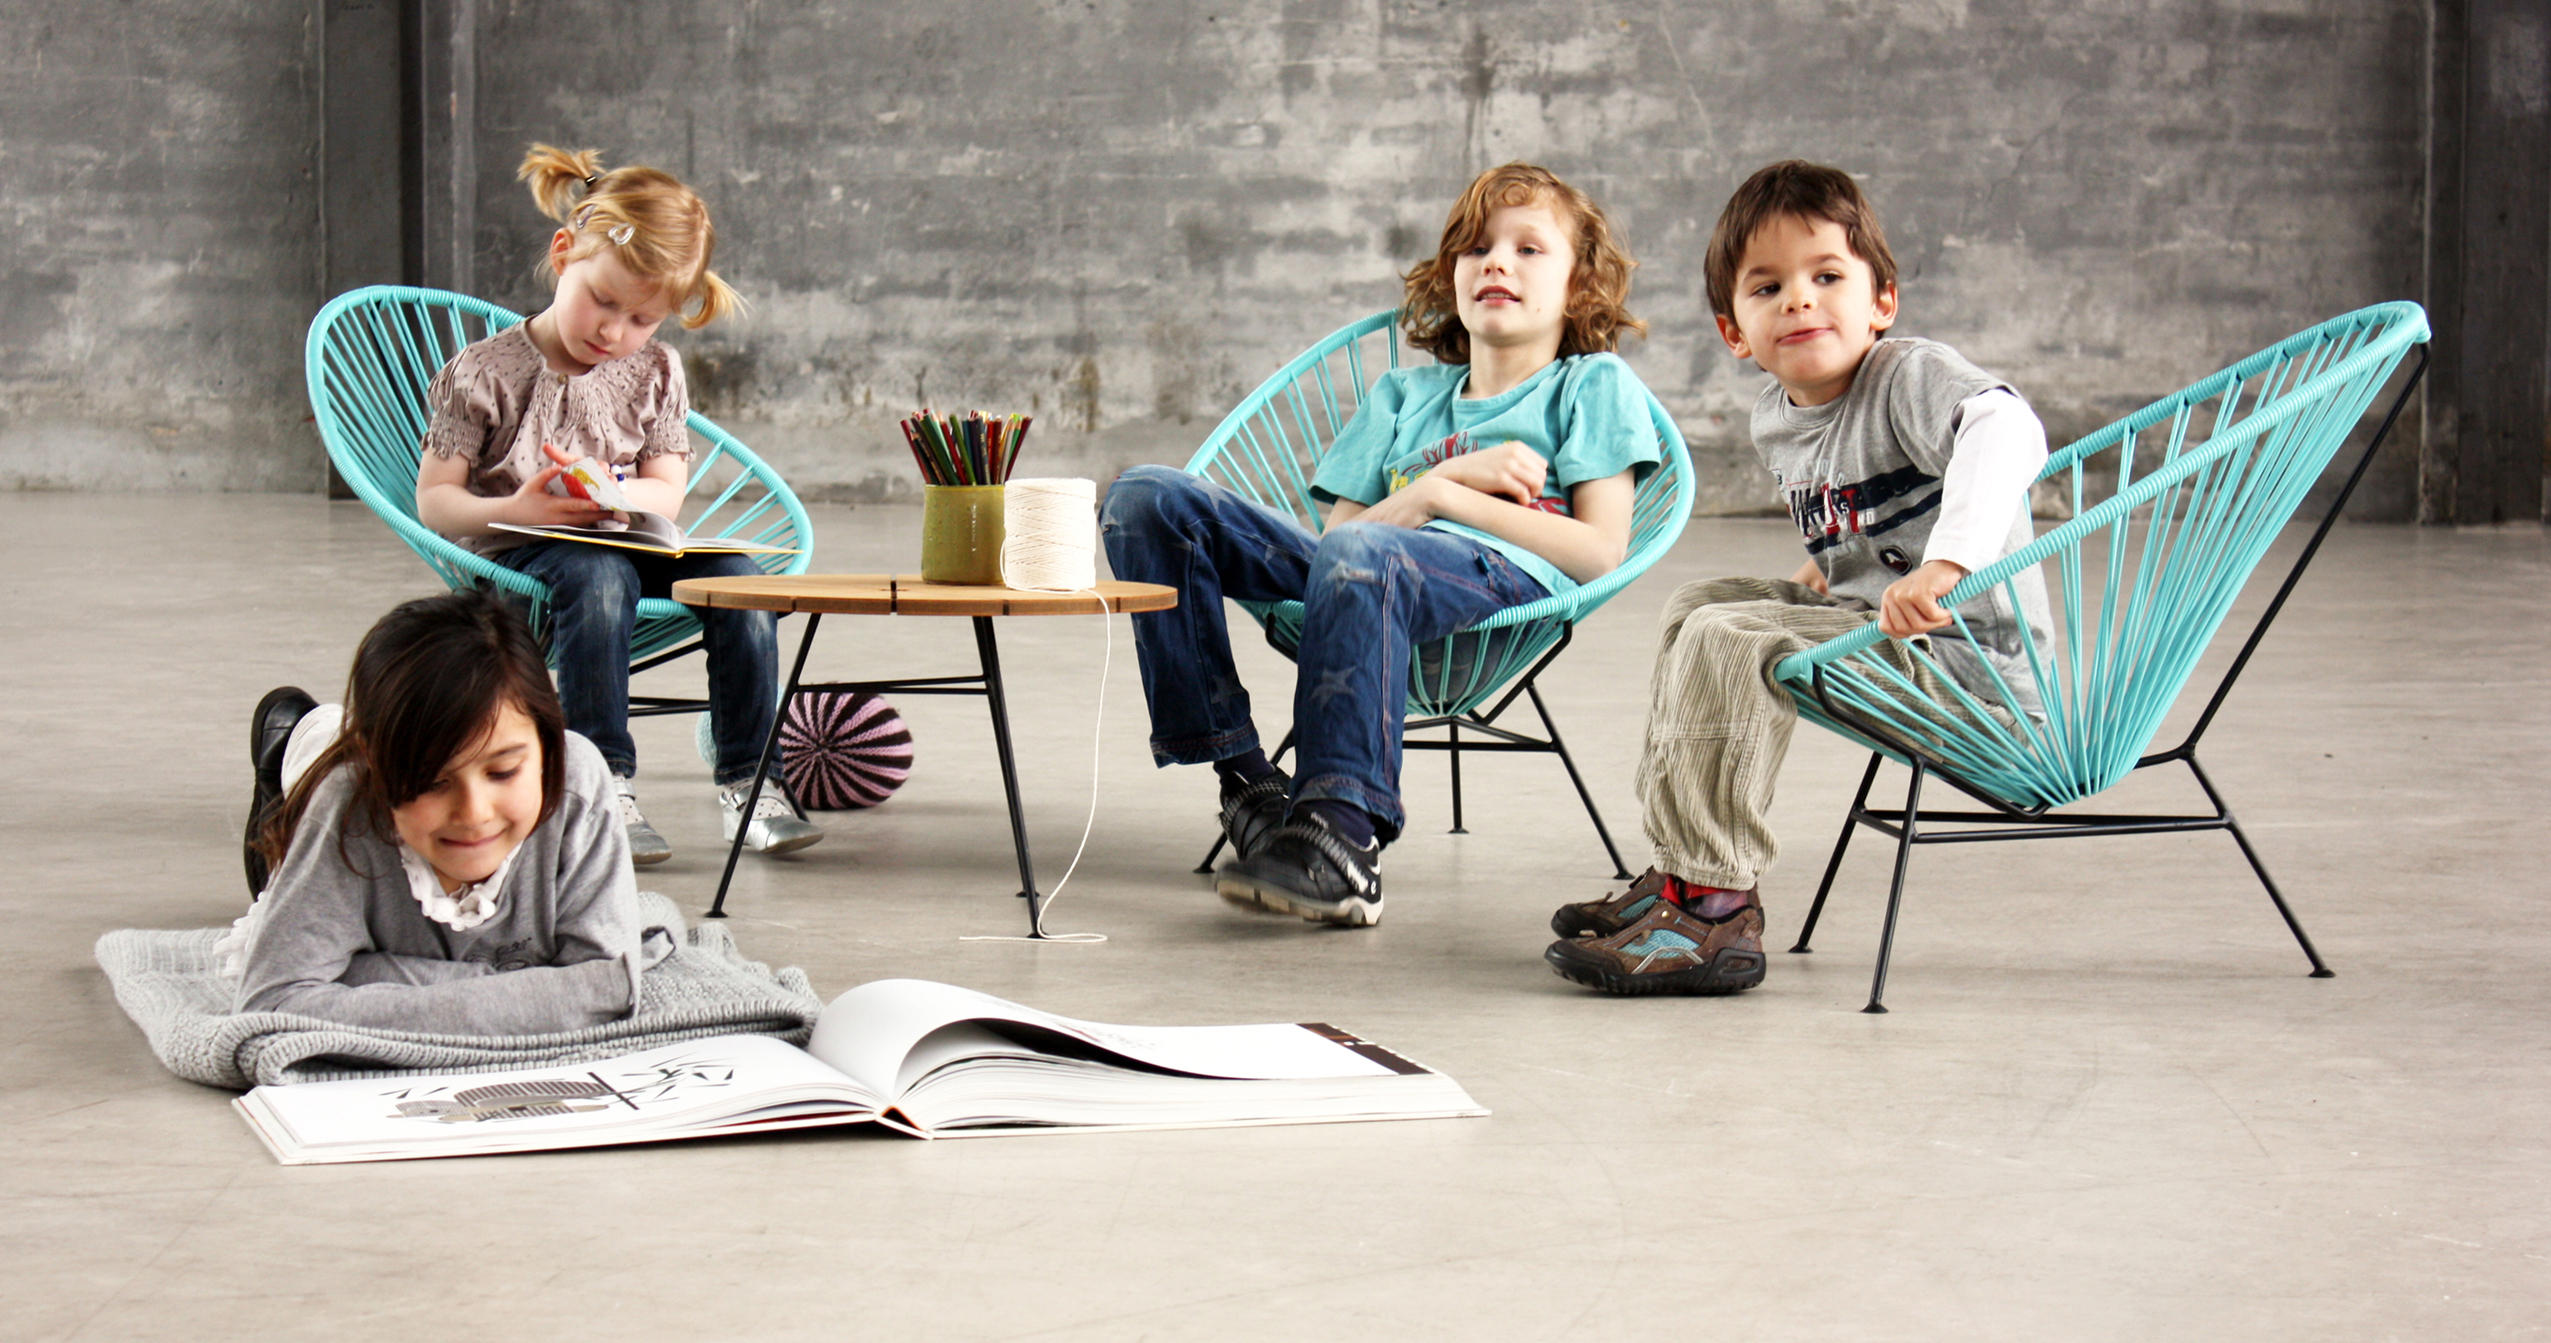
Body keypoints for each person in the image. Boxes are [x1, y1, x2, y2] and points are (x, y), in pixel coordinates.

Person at [1102, 162, 1661, 929]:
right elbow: (1339, 543)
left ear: (1578, 286)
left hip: (1492, 581)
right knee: (1146, 499)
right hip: (1361, 574)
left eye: (1528, 248)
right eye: (1475, 248)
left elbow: (1598, 549)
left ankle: (1342, 838)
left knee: (1365, 555)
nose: (1495, 262)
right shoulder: (1401, 397)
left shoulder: (1589, 385)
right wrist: (1440, 481)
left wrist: (1447, 502)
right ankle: (1248, 782)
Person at [1544, 160, 2054, 996]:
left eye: (1826, 276)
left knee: (1728, 638)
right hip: (1880, 638)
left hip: (1972, 679)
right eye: (1767, 286)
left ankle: (1713, 907)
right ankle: (1677, 872)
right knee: (1700, 605)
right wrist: (1823, 567)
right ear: (1734, 332)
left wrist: (1945, 564)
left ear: (1881, 300)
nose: (1798, 300)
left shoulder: (1905, 377)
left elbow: (2006, 428)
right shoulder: (1776, 416)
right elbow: (1868, 512)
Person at [413, 142, 817, 865]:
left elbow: (666, 489)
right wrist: (521, 512)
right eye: (602, 301)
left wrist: (612, 492)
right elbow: (435, 501)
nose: (613, 332)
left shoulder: (655, 370)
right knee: (599, 579)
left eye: (641, 319)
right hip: (519, 557)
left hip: (625, 538)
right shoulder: (484, 372)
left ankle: (752, 782)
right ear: (563, 253)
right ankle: (602, 786)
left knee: (740, 580)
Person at [225, 589, 673, 1033]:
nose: (473, 814)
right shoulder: (347, 807)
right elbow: (272, 1003)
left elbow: (609, 989)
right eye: (432, 782)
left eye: (503, 771)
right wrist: (534, 988)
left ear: (547, 746)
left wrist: (362, 974)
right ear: (379, 768)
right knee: (314, 780)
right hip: (327, 787)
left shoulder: (578, 780)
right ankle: (296, 739)